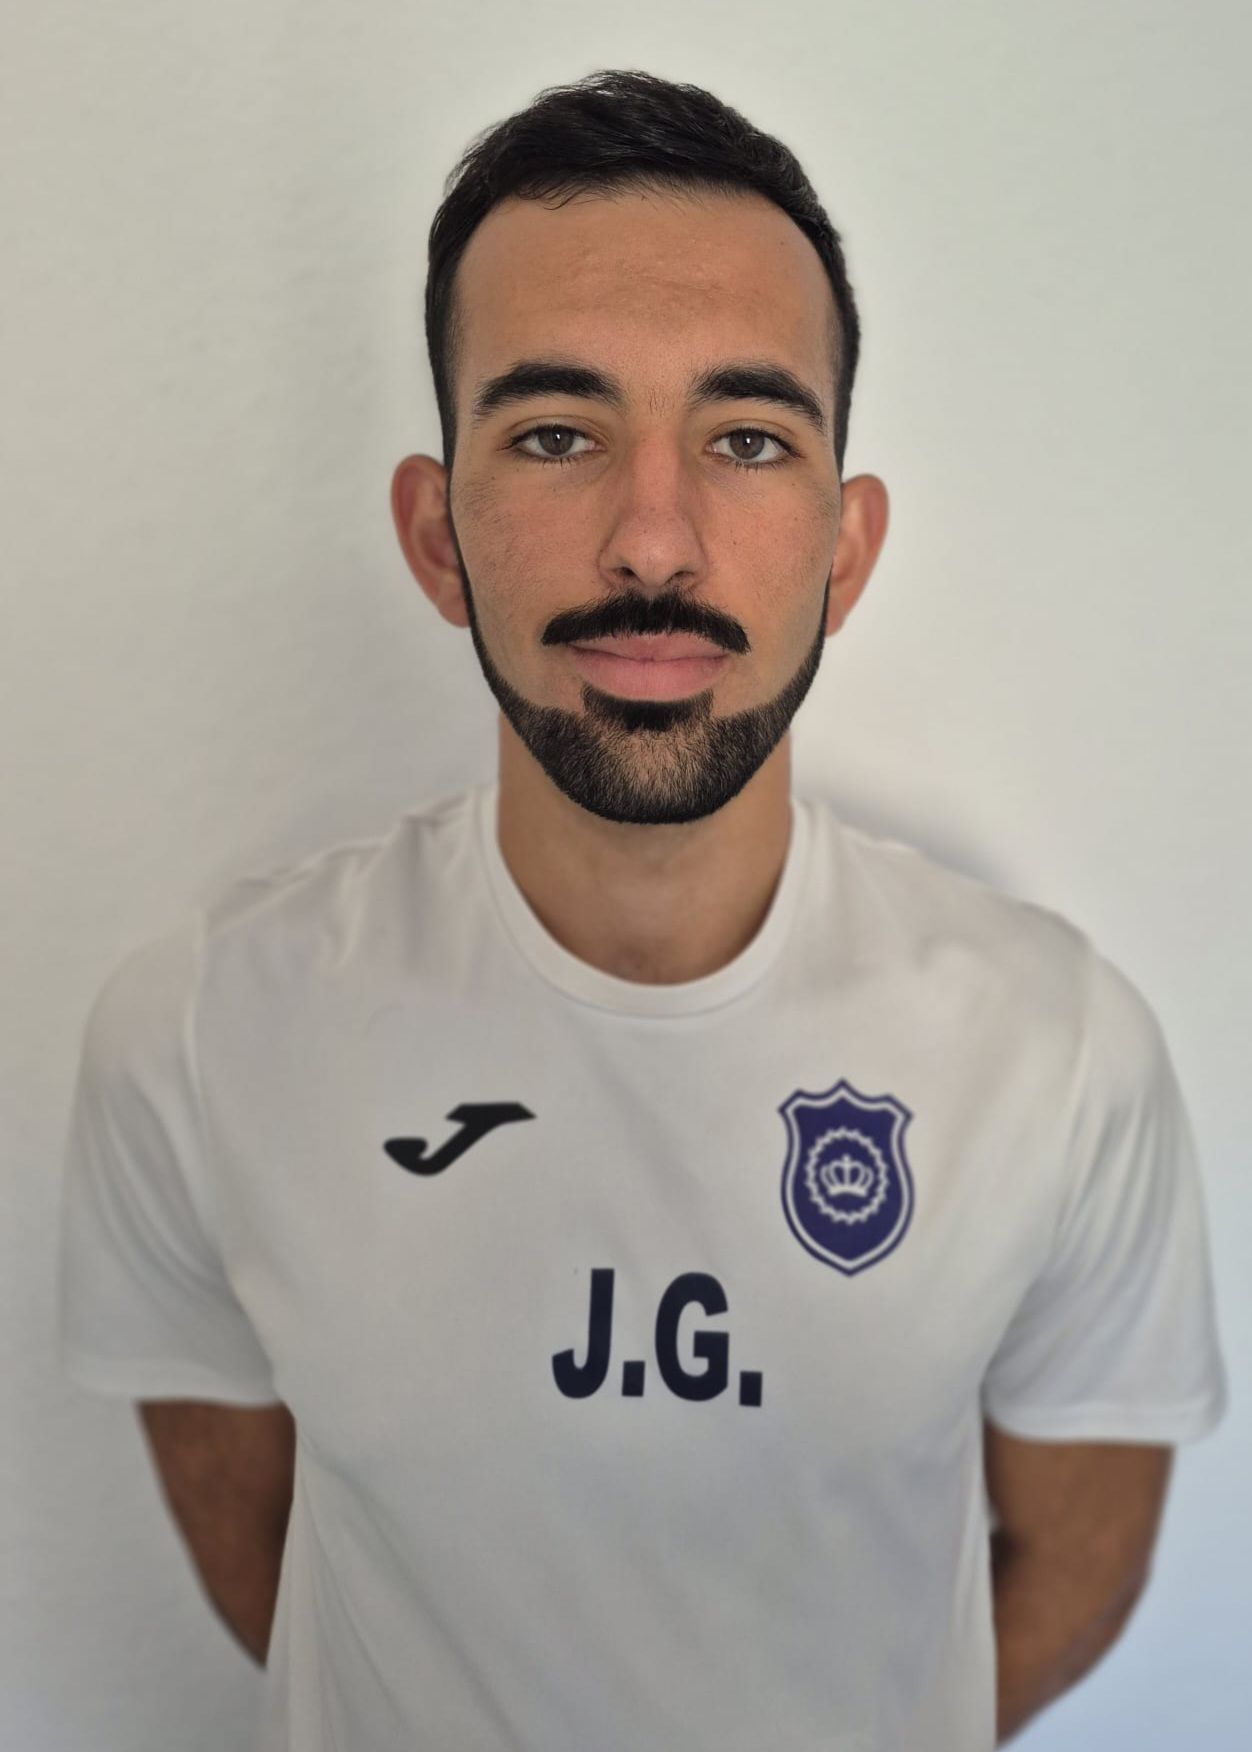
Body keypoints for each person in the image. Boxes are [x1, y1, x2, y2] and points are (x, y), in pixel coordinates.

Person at [56, 67, 1227, 1752]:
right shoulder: (197, 1033)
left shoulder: (1059, 1052)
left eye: (747, 439)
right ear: (437, 538)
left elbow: (1079, 1565)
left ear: (843, 550)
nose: (655, 540)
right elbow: (261, 1547)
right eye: (556, 434)